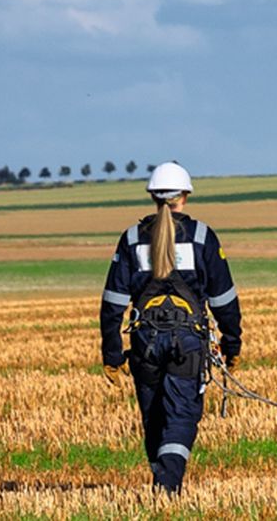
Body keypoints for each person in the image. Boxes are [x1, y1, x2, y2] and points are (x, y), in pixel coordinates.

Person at [98, 161, 243, 495]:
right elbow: (224, 301)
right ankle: (167, 489)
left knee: (153, 417)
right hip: (187, 344)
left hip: (144, 342)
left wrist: (112, 355)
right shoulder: (203, 237)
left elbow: (112, 306)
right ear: (185, 196)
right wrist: (232, 346)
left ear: (153, 197)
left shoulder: (131, 239)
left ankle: (162, 484)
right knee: (180, 416)